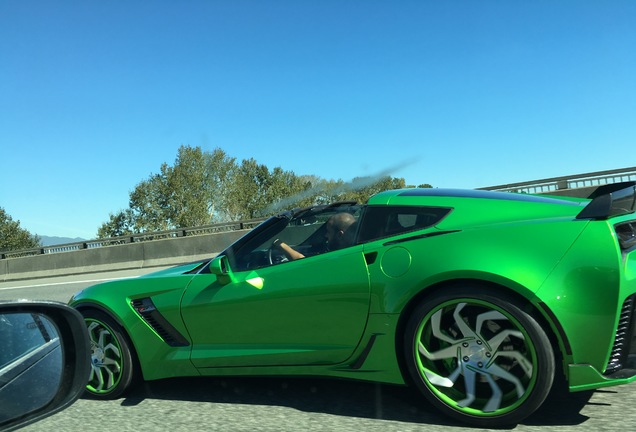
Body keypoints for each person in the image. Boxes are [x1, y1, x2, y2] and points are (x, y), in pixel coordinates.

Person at [273, 212, 356, 261]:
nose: (326, 235)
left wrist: (280, 244)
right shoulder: (355, 250)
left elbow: (304, 264)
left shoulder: (344, 257)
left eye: (329, 232)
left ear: (340, 235)